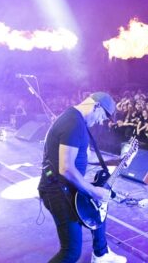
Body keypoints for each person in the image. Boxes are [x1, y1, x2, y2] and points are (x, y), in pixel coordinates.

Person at [37, 92, 126, 263]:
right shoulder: (73, 123)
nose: (101, 122)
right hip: (58, 192)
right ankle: (100, 253)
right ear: (97, 106)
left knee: (99, 207)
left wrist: (115, 161)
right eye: (103, 116)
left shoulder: (77, 121)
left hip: (67, 188)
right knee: (71, 252)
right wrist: (93, 191)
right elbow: (66, 169)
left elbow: (85, 157)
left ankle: (101, 254)